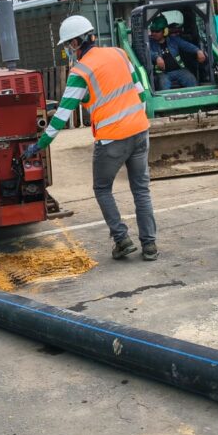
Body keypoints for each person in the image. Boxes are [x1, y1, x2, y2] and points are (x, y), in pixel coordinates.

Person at [23, 15, 158, 261]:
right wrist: (135, 120)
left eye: (68, 45)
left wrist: (39, 145)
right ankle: (150, 246)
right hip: (140, 131)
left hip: (112, 140)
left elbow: (62, 115)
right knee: (141, 190)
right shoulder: (119, 54)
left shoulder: (81, 71)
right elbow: (140, 93)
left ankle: (122, 240)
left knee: (102, 188)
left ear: (76, 42)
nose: (68, 50)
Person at [148, 15, 206, 90]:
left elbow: (186, 45)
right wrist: (157, 57)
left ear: (165, 31)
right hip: (162, 73)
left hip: (179, 70)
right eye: (152, 31)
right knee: (163, 83)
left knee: (190, 78)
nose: (153, 33)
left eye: (157, 31)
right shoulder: (149, 43)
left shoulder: (174, 40)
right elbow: (147, 52)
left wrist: (198, 51)